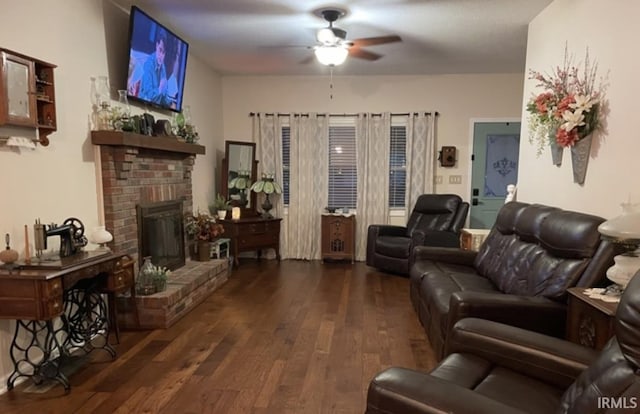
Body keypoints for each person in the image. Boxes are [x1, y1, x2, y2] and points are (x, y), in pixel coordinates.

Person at [139, 27, 168, 105]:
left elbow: (164, 94)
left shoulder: (163, 67)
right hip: (143, 106)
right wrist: (160, 89)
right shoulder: (148, 64)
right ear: (156, 45)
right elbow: (148, 94)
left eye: (164, 52)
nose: (161, 56)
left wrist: (170, 103)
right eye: (160, 50)